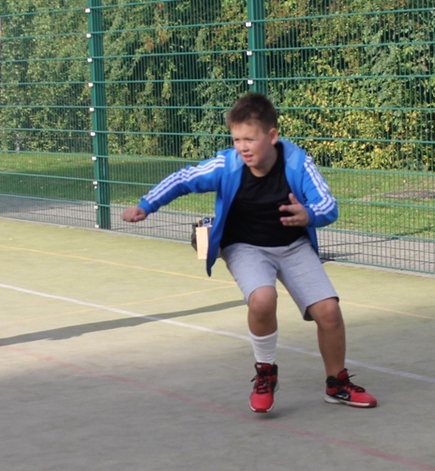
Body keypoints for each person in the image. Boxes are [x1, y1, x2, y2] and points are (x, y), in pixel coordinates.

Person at [121, 92, 376, 413]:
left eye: (250, 139)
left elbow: (328, 204)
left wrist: (309, 215)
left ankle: (337, 384)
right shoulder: (227, 165)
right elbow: (183, 178)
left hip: (292, 244)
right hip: (244, 245)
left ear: (272, 136)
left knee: (329, 312)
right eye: (237, 138)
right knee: (263, 299)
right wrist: (146, 205)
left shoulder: (297, 162)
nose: (242, 146)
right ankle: (266, 373)